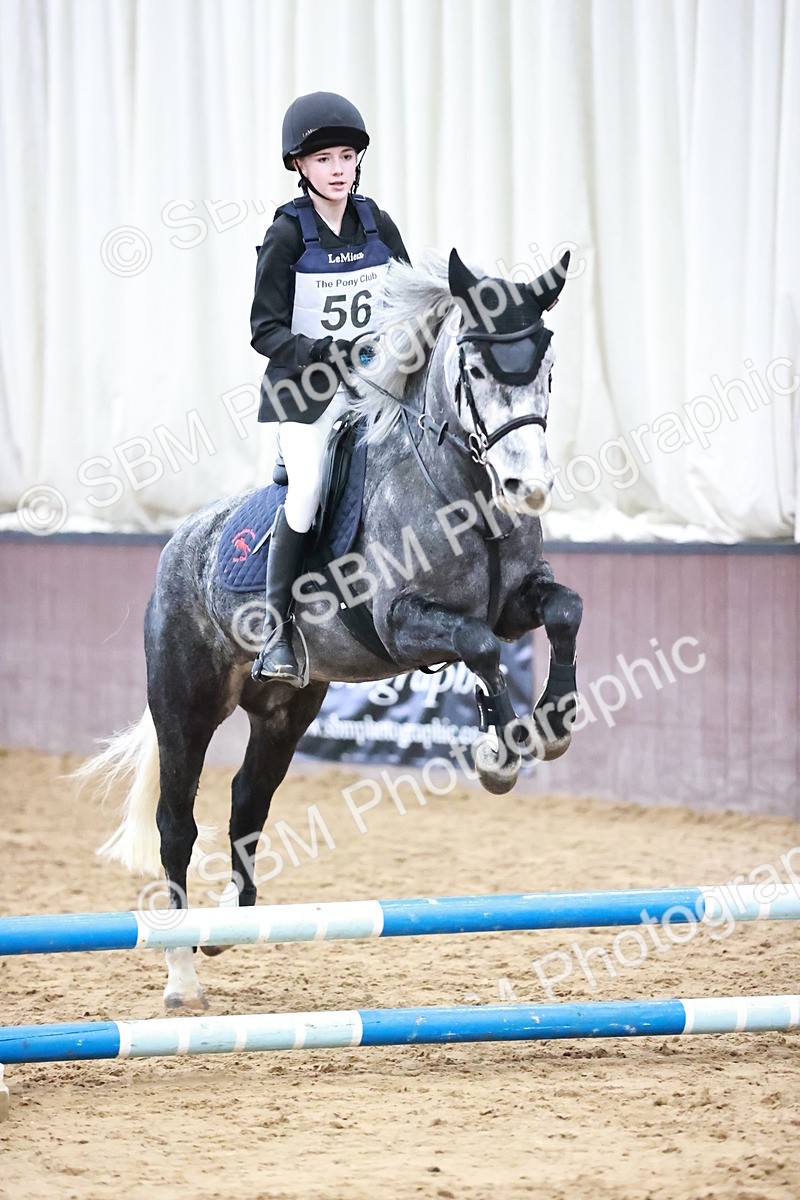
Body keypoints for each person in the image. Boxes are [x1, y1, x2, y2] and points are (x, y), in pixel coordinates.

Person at [249, 91, 409, 686]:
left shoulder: (377, 224)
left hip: (371, 385)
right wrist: (322, 351)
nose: (338, 169)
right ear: (299, 165)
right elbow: (263, 330)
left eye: (346, 156)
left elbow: (409, 299)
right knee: (309, 488)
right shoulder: (287, 235)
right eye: (323, 159)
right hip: (306, 392)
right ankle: (275, 632)